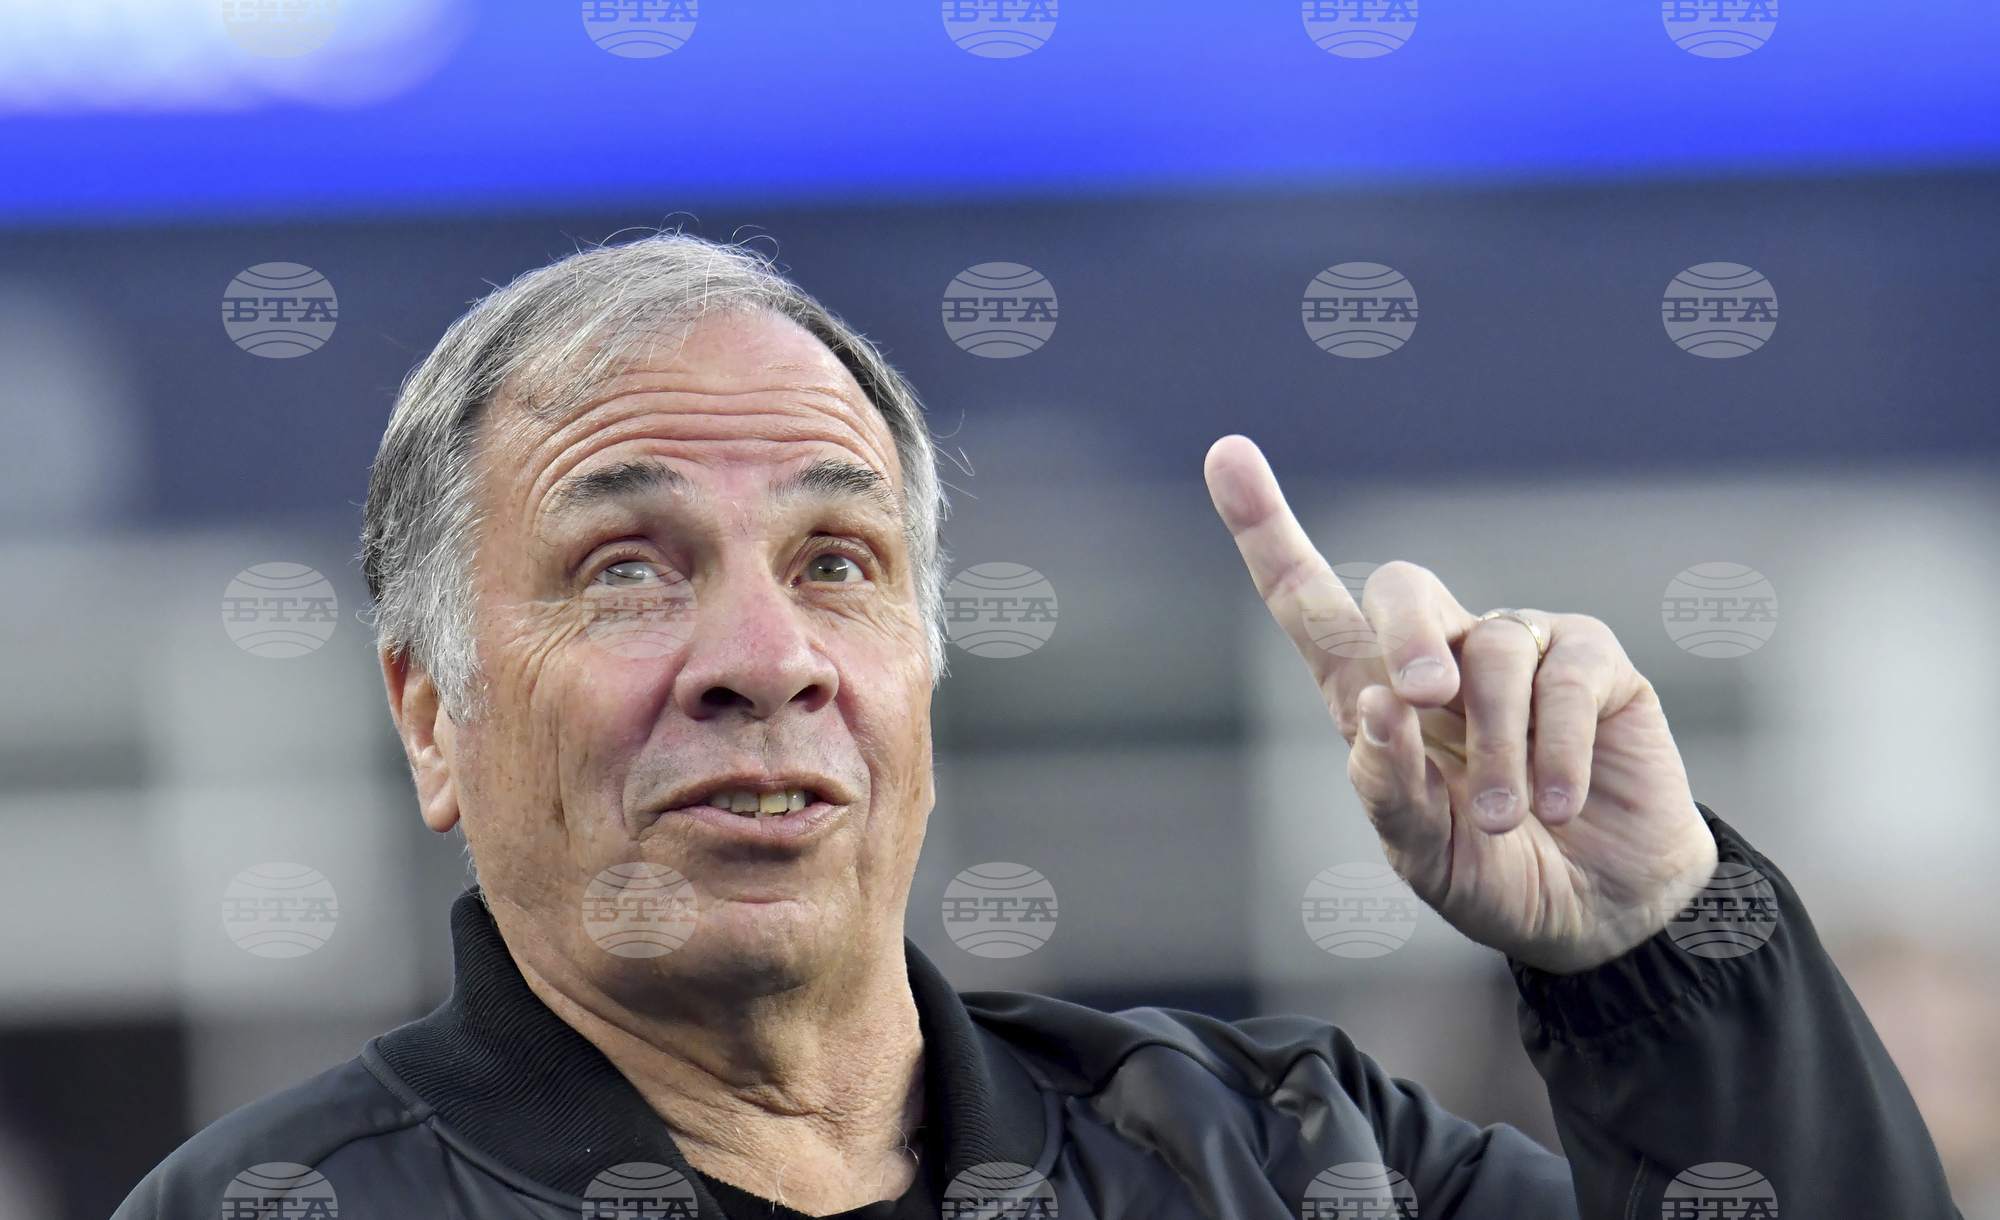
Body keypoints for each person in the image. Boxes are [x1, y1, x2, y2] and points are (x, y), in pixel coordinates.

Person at [115, 234, 1959, 1220]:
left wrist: (1653, 952)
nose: (766, 658)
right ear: (431, 720)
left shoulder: (1296, 1162)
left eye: (838, 563)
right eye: (625, 571)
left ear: (923, 671)